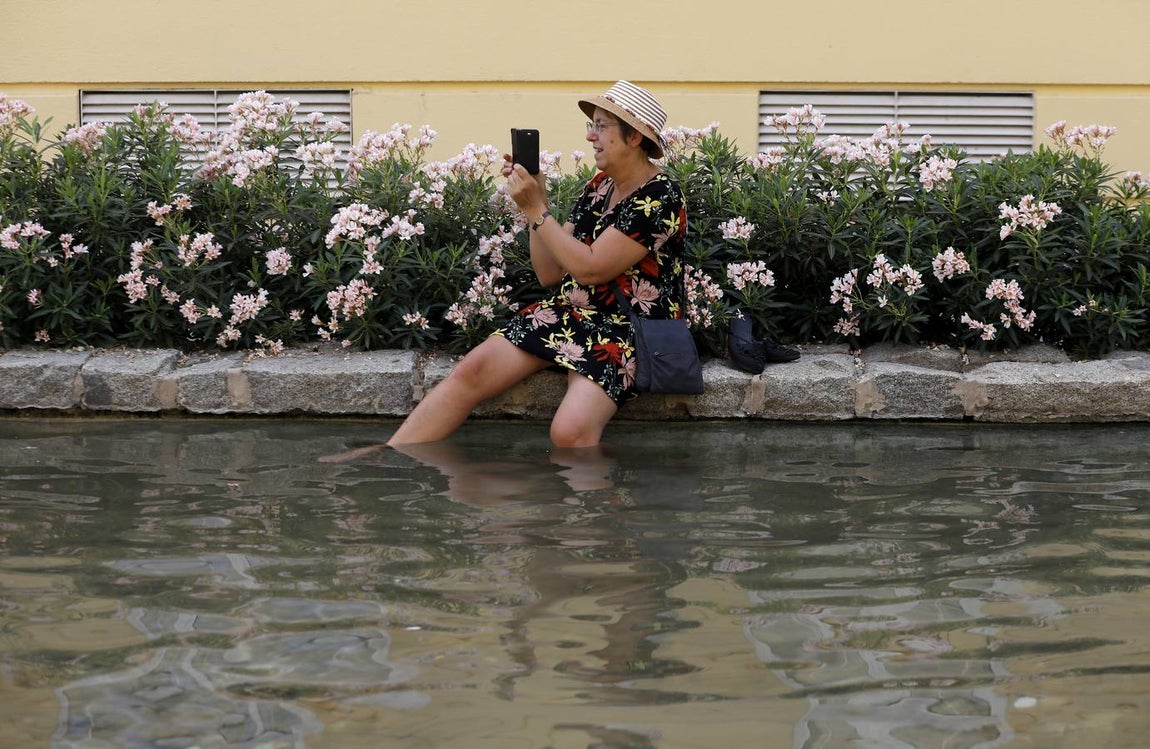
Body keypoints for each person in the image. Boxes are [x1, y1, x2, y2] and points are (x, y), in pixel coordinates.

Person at [386, 80, 688, 448]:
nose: (591, 136)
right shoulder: (599, 187)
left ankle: (592, 506)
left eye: (601, 125)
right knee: (471, 371)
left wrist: (536, 208)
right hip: (568, 313)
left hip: (626, 330)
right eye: (590, 125)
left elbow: (592, 269)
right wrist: (536, 202)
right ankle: (391, 455)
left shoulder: (660, 196)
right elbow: (550, 273)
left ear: (635, 137)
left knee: (570, 433)